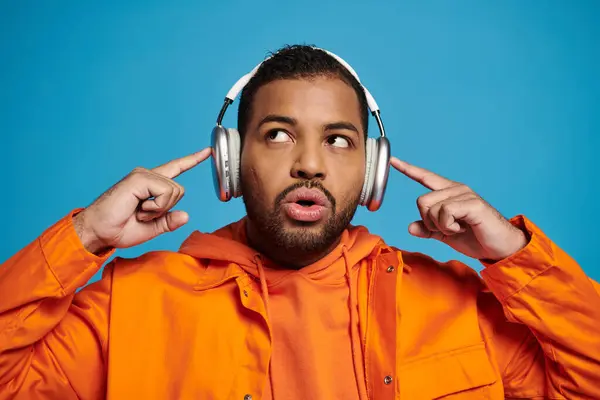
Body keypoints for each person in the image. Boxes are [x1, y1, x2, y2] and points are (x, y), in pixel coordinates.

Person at [0, 45, 598, 400]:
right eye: (279, 135)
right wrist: (84, 239)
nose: (309, 163)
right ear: (232, 160)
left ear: (371, 171)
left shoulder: (457, 305)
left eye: (339, 140)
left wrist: (517, 259)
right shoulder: (129, 304)